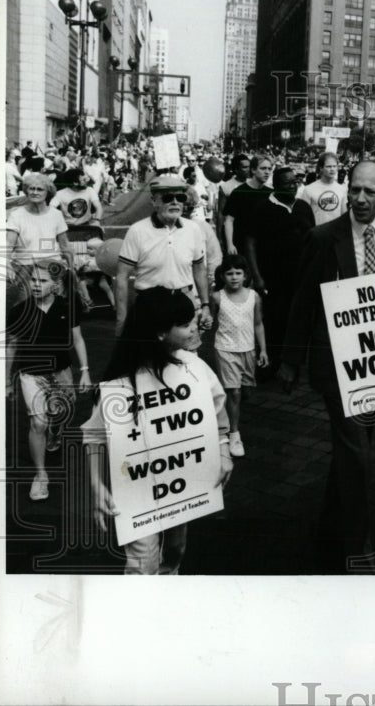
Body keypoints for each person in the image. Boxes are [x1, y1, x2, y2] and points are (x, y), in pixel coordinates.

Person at [280, 160, 375, 572]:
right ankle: (357, 544)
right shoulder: (322, 237)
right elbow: (302, 301)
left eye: (370, 191)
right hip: (336, 363)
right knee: (359, 455)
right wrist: (291, 360)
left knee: (355, 453)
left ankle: (330, 528)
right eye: (355, 190)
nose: (361, 199)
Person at [81, 287, 234, 573]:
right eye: (185, 324)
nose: (195, 328)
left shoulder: (194, 367)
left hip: (181, 482)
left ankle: (169, 583)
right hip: (136, 490)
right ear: (160, 333)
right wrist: (95, 485)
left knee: (176, 548)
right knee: (143, 563)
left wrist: (224, 447)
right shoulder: (120, 384)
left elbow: (218, 410)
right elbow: (93, 435)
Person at [6, 260, 92, 500]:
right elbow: (11, 348)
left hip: (61, 372)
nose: (35, 285)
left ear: (55, 285)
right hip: (30, 374)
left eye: (42, 281)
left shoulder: (68, 305)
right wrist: (4, 381)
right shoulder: (20, 311)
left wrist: (84, 370)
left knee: (60, 414)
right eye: (33, 280)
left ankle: (56, 432)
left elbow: (77, 339)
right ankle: (41, 475)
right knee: (38, 424)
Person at [114, 174, 211, 338]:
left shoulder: (193, 229)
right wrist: (122, 320)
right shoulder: (137, 231)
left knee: (187, 357)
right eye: (167, 198)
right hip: (150, 304)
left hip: (184, 301)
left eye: (180, 197)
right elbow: (122, 277)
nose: (175, 202)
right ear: (154, 202)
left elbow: (199, 269)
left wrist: (205, 305)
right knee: (150, 359)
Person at [243, 166, 315, 375]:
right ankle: (269, 364)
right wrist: (256, 277)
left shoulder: (303, 207)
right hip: (272, 277)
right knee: (273, 320)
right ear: (275, 185)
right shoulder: (262, 208)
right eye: (287, 183)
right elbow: (250, 242)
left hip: (299, 277)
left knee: (297, 319)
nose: (293, 186)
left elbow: (312, 241)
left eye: (295, 182)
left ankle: (291, 364)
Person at [211, 256, 268, 458]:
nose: (234, 277)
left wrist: (263, 350)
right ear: (222, 275)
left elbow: (258, 324)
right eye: (229, 273)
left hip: (248, 349)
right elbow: (211, 322)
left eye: (238, 273)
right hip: (225, 348)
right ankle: (233, 434)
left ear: (245, 275)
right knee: (233, 392)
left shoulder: (254, 297)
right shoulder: (218, 297)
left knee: (245, 391)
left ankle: (230, 410)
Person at [223, 155, 273, 256]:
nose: (267, 172)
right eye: (263, 168)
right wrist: (230, 244)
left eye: (269, 169)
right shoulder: (239, 192)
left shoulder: (271, 193)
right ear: (253, 170)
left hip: (264, 245)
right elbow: (229, 220)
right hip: (242, 244)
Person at [296, 152, 347, 225]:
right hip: (316, 232)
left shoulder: (342, 189)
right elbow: (303, 216)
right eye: (328, 166)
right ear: (321, 168)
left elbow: (344, 216)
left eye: (334, 166)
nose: (332, 169)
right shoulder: (309, 189)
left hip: (336, 233)